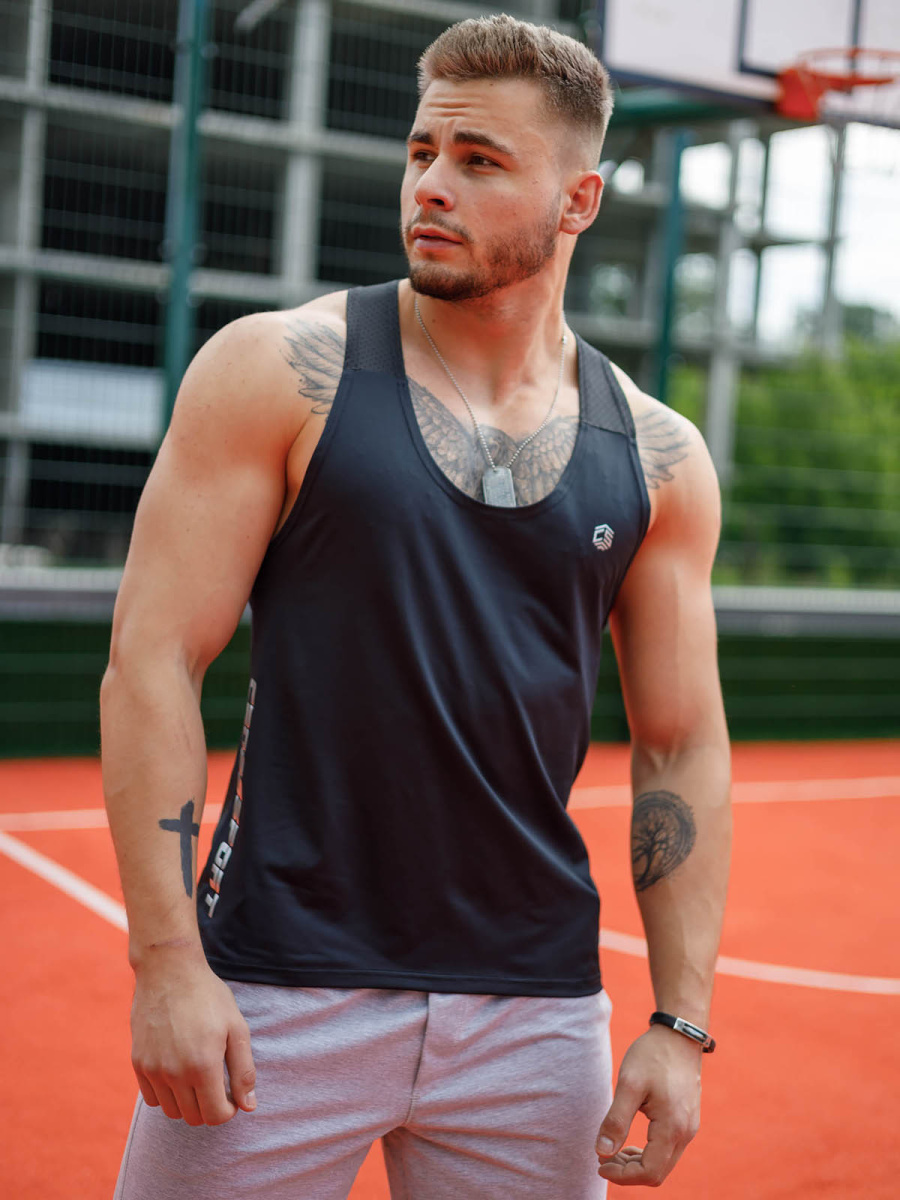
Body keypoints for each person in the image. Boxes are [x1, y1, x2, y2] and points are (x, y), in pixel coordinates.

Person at [101, 14, 731, 1200]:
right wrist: (168, 960)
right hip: (274, 988)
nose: (431, 185)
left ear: (580, 201)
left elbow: (680, 741)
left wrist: (680, 1021)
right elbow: (153, 660)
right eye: (421, 151)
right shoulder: (279, 370)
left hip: (535, 1014)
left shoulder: (658, 455)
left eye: (480, 161)